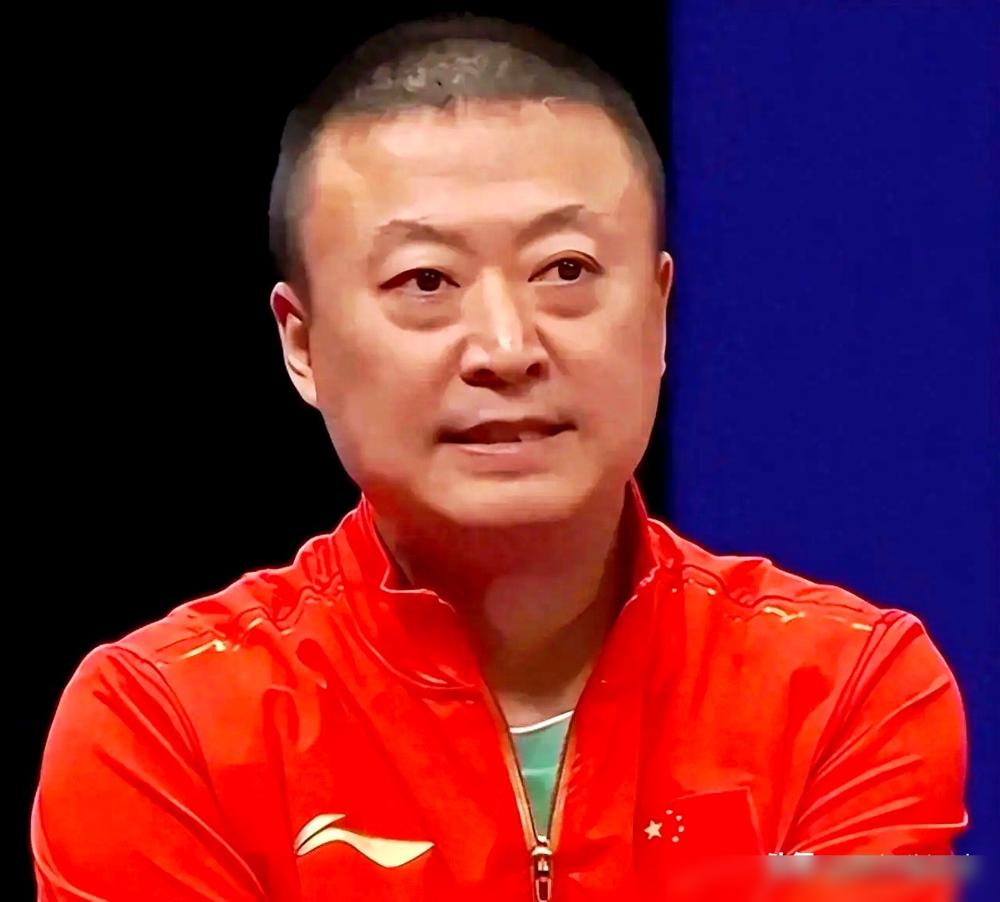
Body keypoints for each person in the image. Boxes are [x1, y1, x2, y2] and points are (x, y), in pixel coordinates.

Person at [31, 14, 968, 901]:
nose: (506, 347)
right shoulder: (165, 723)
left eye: (565, 271)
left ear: (659, 312)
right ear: (302, 344)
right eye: (424, 281)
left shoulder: (846, 690)